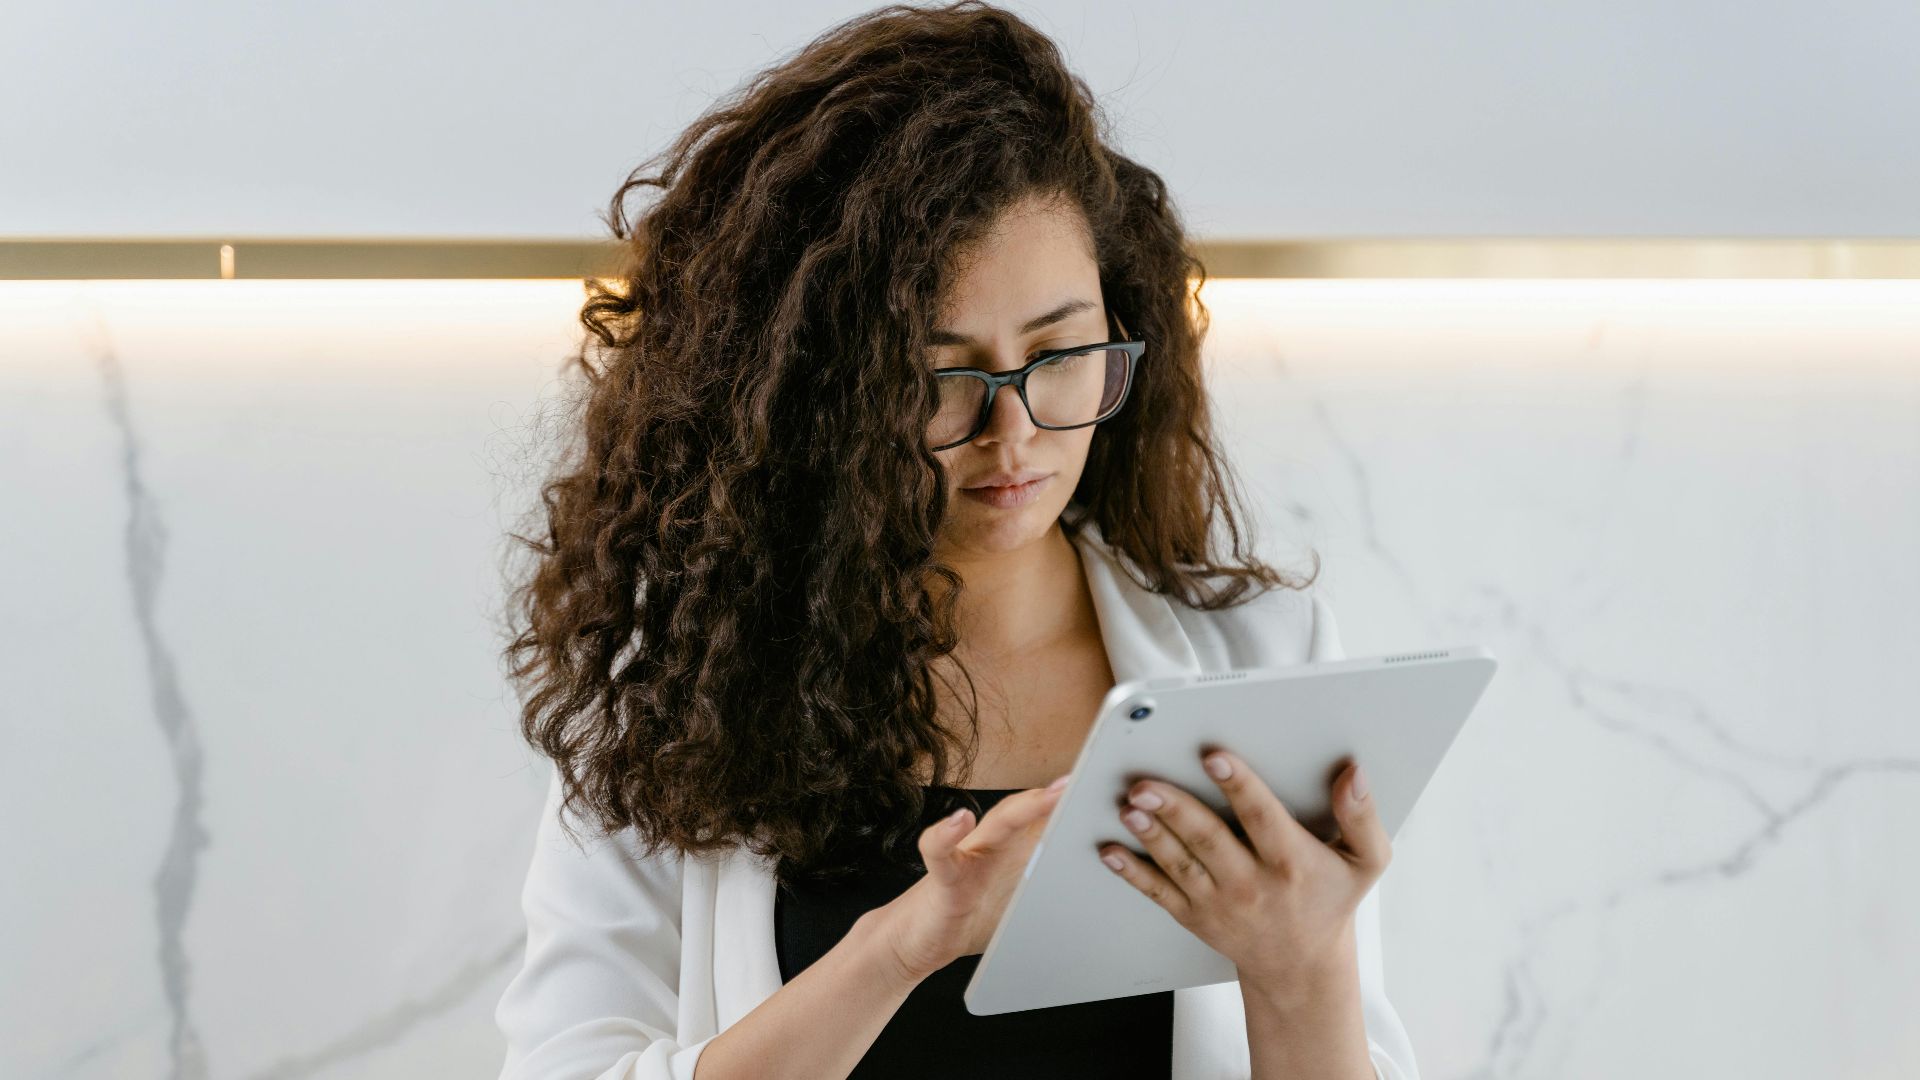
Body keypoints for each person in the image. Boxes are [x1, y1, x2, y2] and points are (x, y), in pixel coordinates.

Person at [493, 3, 1420, 1077]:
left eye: (1060, 353)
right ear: (809, 394)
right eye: (941, 377)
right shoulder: (672, 686)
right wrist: (902, 945)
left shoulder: (1268, 658)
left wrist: (1301, 967)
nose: (1013, 434)